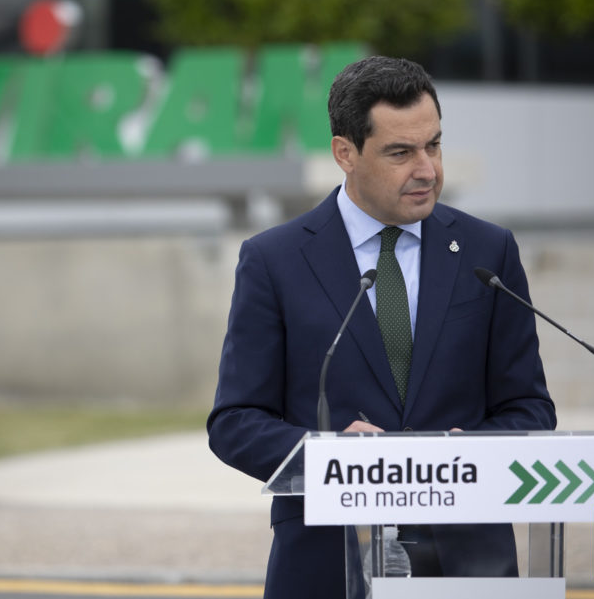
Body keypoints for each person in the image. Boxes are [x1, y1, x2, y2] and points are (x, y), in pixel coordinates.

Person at [207, 56, 556, 598]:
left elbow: (530, 408)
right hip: (326, 562)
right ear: (345, 153)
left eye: (433, 145)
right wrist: (327, 455)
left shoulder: (489, 252)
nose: (427, 169)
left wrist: (473, 452)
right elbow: (235, 421)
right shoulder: (274, 260)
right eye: (401, 152)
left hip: (469, 560)